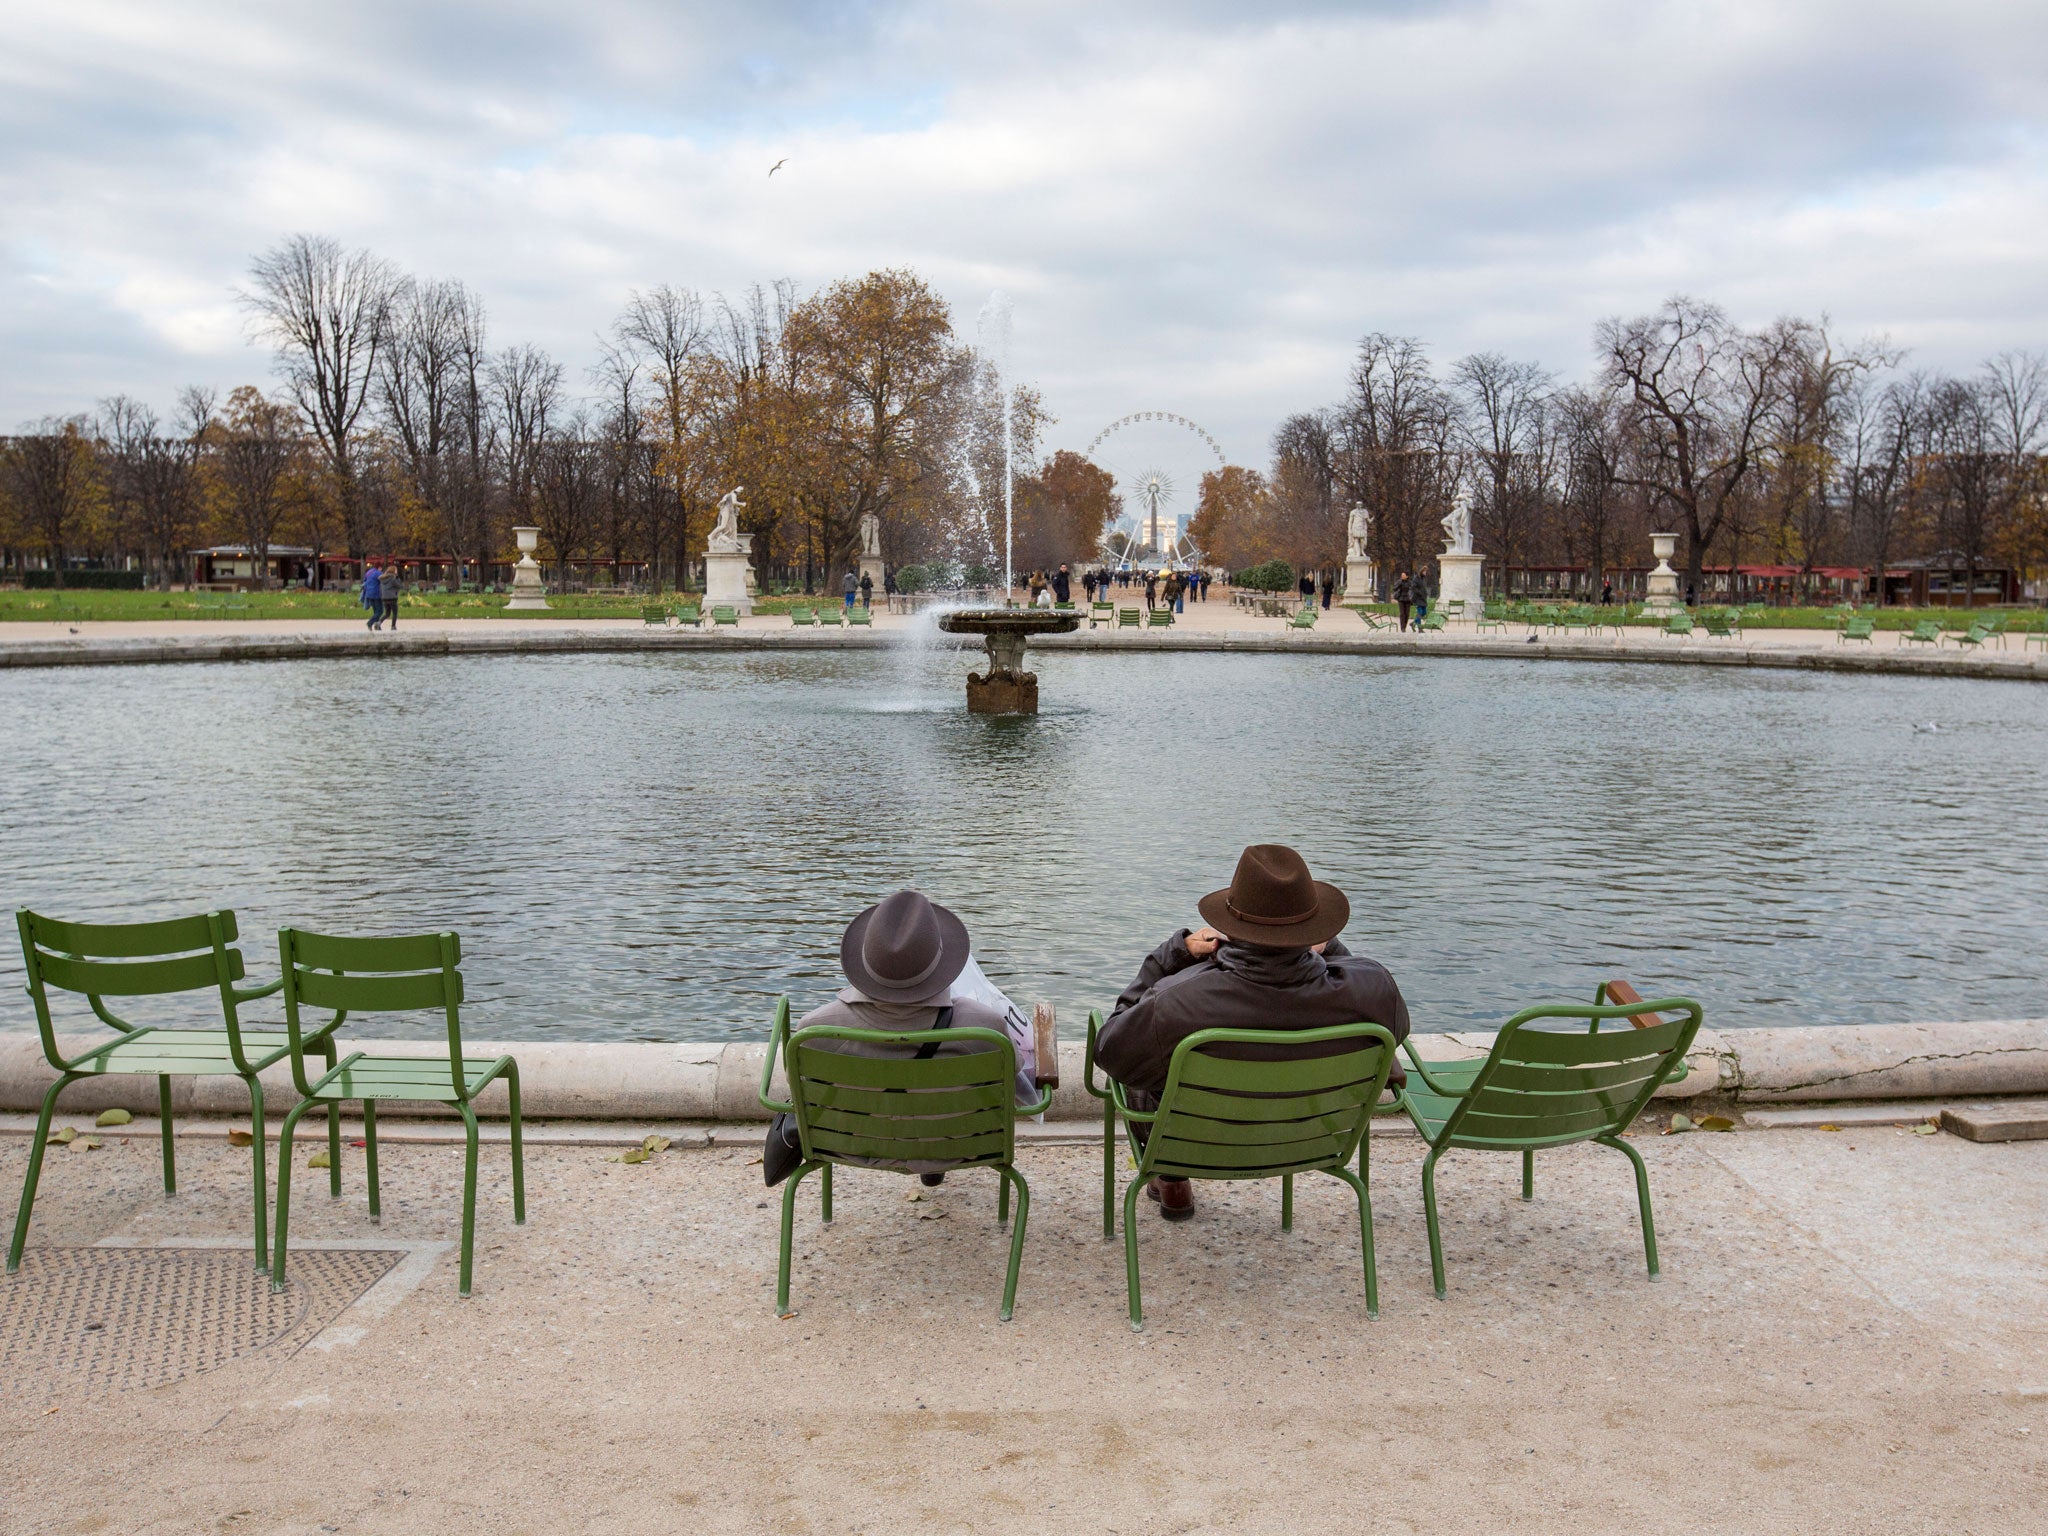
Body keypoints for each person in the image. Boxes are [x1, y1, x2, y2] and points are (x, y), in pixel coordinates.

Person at [1095, 844, 1410, 1221]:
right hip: (1307, 1143)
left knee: (1144, 1054)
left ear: (1230, 927)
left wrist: (1171, 955)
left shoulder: (1176, 1001)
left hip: (1196, 1144)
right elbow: (1380, 1009)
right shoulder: (1376, 988)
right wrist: (1326, 951)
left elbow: (1110, 1049)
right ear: (1315, 928)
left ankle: (1171, 1174)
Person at [762, 891, 1040, 1187]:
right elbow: (1011, 1084)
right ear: (941, 961)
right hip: (958, 1146)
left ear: (866, 958)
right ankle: (929, 1155)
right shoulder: (983, 1026)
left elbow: (799, 1089)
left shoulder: (815, 1029)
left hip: (851, 1146)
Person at [360, 561, 383, 631]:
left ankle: (377, 626)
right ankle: (370, 623)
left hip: (368, 594)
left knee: (375, 610)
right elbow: (383, 582)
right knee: (380, 611)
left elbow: (365, 581)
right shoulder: (379, 573)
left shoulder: (369, 572)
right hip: (376, 594)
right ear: (379, 567)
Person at [381, 564, 401, 630]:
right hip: (392, 597)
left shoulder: (382, 579)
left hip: (384, 598)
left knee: (387, 613)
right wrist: (397, 577)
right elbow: (399, 585)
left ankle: (378, 622)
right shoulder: (393, 579)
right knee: (395, 613)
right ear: (393, 571)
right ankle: (393, 626)